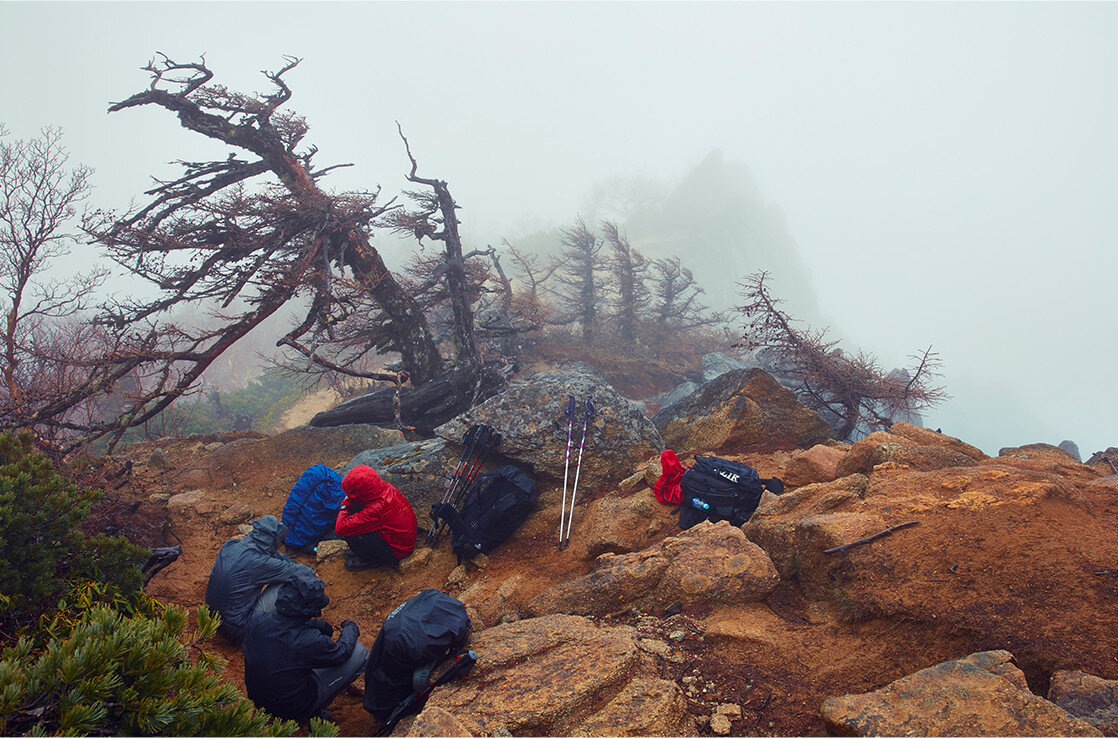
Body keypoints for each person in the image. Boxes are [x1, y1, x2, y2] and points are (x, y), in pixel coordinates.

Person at [242, 569, 368, 724]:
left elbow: (286, 625)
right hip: (292, 707)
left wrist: (316, 625)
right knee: (359, 652)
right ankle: (313, 711)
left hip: (258, 698)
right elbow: (342, 652)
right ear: (311, 608)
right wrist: (351, 628)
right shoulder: (310, 641)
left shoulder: (257, 619)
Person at [204, 515, 315, 642]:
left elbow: (273, 555)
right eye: (280, 542)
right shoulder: (259, 562)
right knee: (293, 581)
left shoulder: (231, 544)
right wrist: (310, 572)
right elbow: (298, 572)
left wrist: (289, 562)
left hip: (209, 620)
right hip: (239, 630)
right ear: (274, 541)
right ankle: (294, 621)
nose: (281, 546)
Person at [335, 464, 417, 572]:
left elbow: (340, 528)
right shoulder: (383, 487)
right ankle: (365, 551)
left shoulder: (376, 508)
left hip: (397, 552)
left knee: (350, 530)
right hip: (402, 540)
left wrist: (345, 503)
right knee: (355, 510)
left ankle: (369, 559)